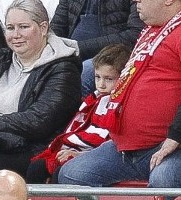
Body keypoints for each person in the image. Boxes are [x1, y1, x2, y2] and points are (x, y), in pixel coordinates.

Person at [57, 0, 181, 189]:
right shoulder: (150, 30)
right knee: (71, 175)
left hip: (170, 148)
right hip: (124, 149)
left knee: (163, 180)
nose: (135, 0)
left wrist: (176, 136)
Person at [0, 0, 82, 177]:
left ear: (44, 28)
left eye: (23, 27)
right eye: (10, 28)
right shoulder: (0, 58)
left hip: (27, 149)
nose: (15, 35)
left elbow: (38, 121)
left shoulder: (63, 68)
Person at [26, 43, 128, 184]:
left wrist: (80, 155)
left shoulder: (121, 105)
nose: (101, 84)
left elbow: (110, 144)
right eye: (97, 77)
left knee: (62, 173)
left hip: (93, 155)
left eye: (108, 79)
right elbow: (77, 128)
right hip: (73, 149)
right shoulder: (93, 99)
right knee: (36, 167)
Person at [50, 0, 143, 95]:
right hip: (71, 51)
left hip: (111, 55)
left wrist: (78, 48)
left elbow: (135, 34)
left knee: (82, 73)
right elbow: (57, 27)